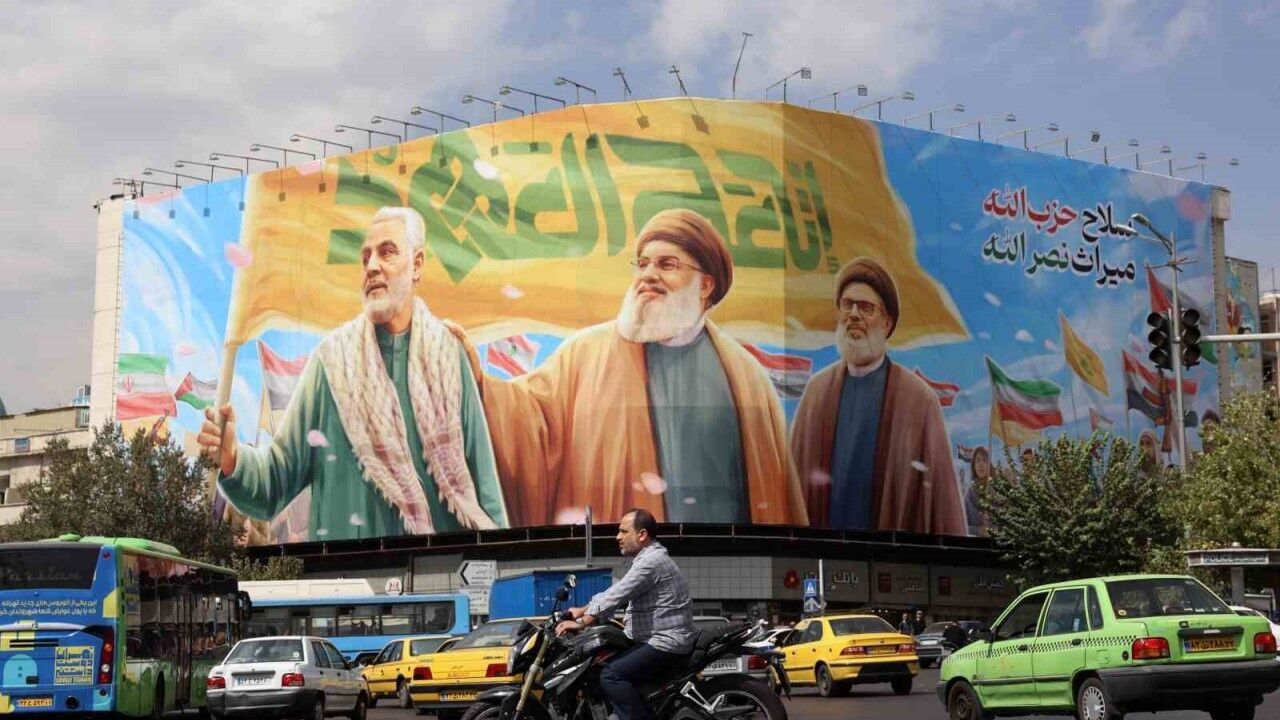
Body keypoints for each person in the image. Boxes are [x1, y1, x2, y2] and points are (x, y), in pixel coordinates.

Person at [455, 209, 806, 526]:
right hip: (624, 560)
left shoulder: (746, 377)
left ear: (706, 285)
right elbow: (529, 421)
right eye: (643, 264)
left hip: (726, 560)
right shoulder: (584, 354)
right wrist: (476, 381)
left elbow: (776, 498)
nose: (649, 275)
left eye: (667, 264)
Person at [199, 207, 509, 541]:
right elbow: (274, 483)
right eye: (365, 258)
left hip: (444, 570)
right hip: (348, 571)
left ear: (417, 264)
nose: (372, 266)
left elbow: (486, 498)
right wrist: (232, 459)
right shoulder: (331, 364)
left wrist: (507, 561)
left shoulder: (450, 357)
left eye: (386, 252)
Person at [790, 257, 965, 534]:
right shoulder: (816, 392)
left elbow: (942, 508)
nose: (854, 314)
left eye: (866, 307)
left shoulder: (918, 401)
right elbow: (791, 493)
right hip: (822, 554)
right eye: (847, 304)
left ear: (887, 323)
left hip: (889, 556)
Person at [556, 509, 695, 720]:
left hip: (666, 641)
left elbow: (620, 593)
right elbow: (616, 590)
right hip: (652, 638)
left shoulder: (651, 561)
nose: (618, 537)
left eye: (623, 531)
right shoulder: (647, 559)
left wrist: (583, 622)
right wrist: (581, 609)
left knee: (611, 675)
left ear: (642, 534)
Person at [963, 446, 992, 536]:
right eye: (978, 461)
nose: (981, 464)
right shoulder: (969, 493)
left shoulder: (998, 491)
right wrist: (978, 530)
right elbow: (962, 526)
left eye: (984, 460)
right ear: (974, 466)